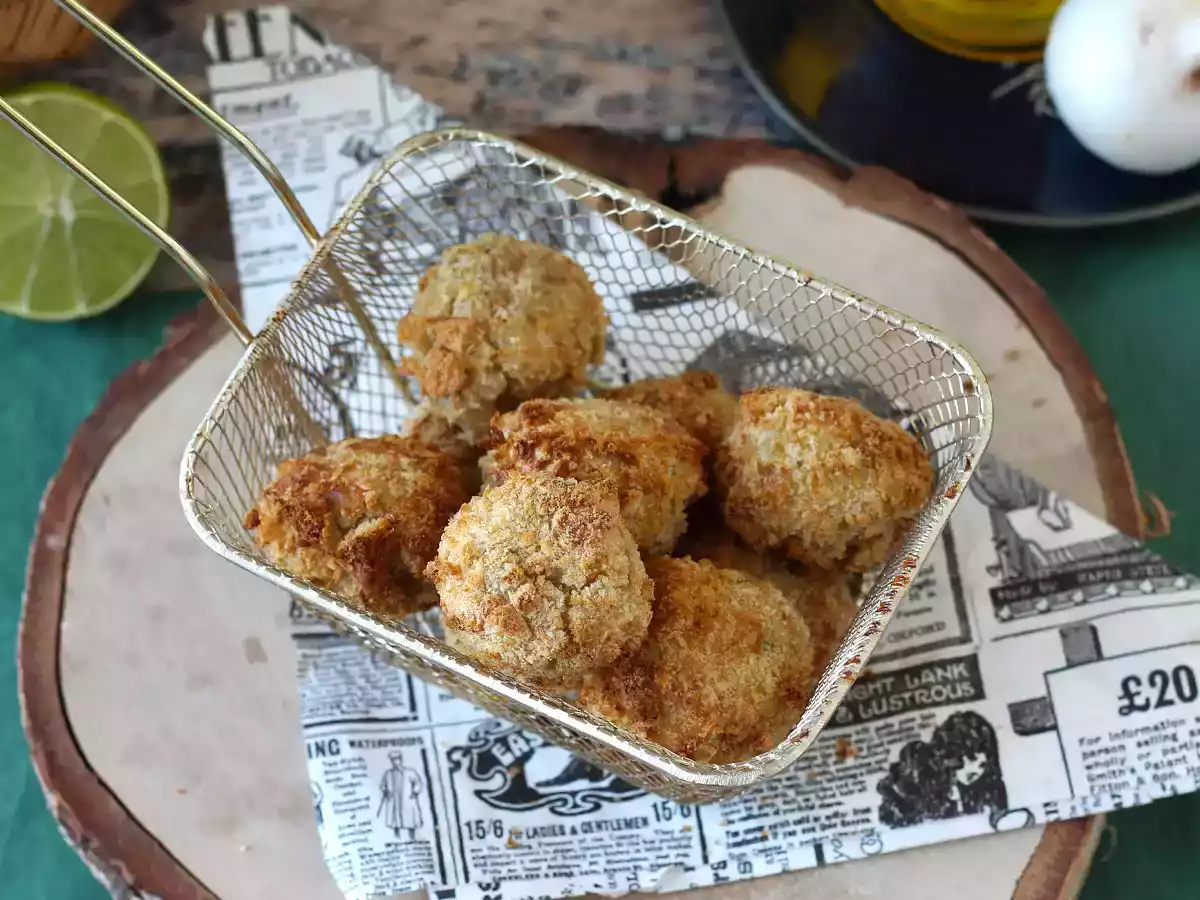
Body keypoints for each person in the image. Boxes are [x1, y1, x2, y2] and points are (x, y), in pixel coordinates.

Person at [378, 751, 423, 840]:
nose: (395, 762)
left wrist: (414, 792)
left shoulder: (410, 772)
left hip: (407, 798)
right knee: (395, 820)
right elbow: (382, 785)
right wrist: (386, 790)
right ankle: (397, 838)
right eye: (393, 760)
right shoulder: (388, 774)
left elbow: (418, 783)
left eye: (396, 759)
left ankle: (412, 838)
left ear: (400, 760)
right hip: (394, 798)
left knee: (410, 820)